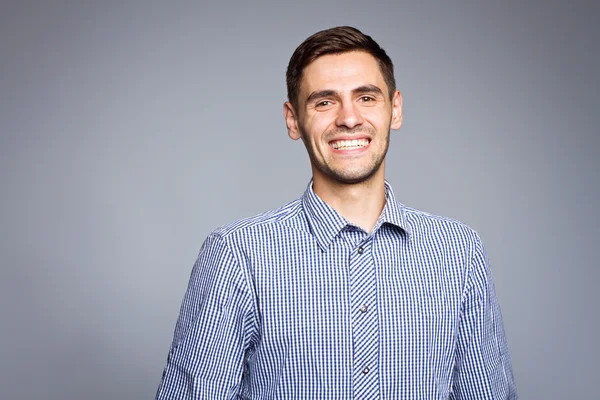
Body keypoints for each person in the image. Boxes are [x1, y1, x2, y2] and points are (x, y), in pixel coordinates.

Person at [156, 26, 517, 399]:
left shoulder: (459, 251)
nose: (348, 118)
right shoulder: (237, 255)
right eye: (324, 102)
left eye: (366, 97)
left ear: (395, 109)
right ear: (293, 119)